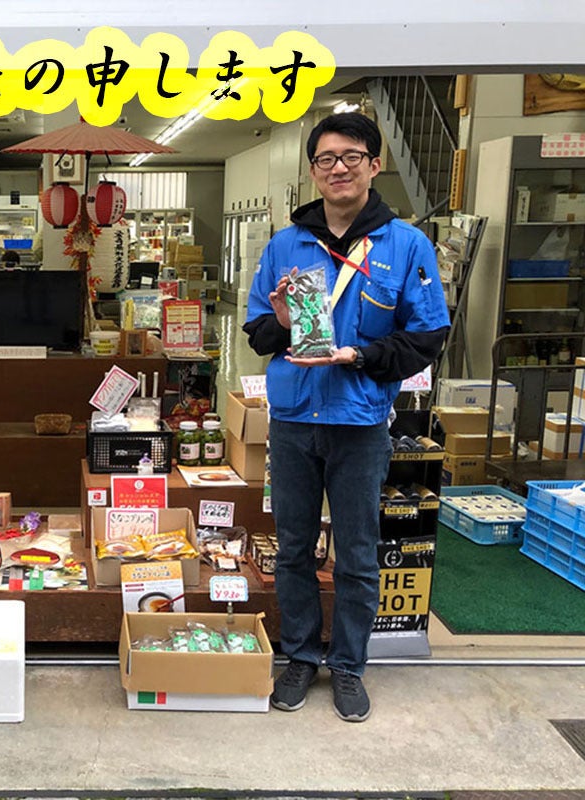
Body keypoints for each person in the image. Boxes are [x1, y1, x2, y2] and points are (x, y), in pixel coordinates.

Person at [243, 113, 449, 722]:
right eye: (326, 159)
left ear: (373, 165)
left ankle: (350, 666)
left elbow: (426, 337)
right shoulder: (286, 245)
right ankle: (301, 656)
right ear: (313, 170)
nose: (339, 168)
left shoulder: (405, 245)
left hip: (360, 423)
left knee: (358, 553)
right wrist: (283, 321)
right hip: (293, 420)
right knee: (293, 549)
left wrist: (360, 356)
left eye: (351, 156)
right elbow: (258, 333)